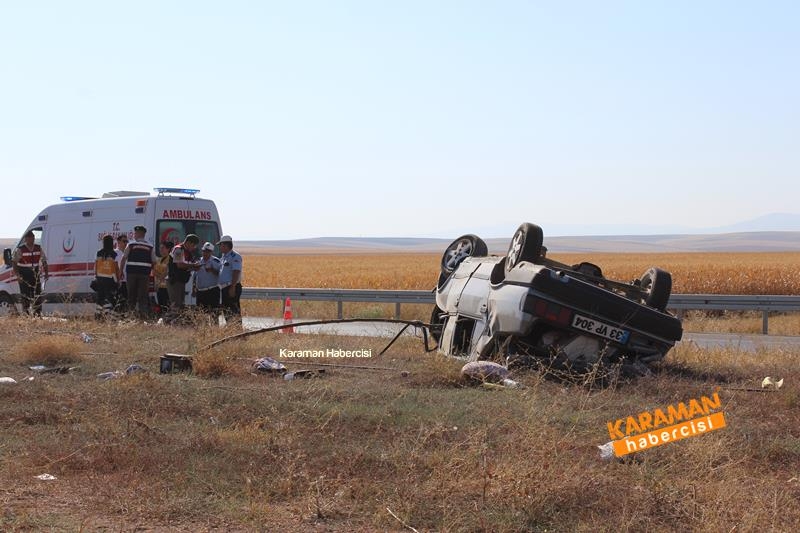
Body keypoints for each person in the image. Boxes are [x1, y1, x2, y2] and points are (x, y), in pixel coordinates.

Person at [120, 226, 158, 318]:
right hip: (144, 275)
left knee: (131, 296)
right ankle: (143, 316)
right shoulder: (150, 246)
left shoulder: (131, 245)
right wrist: (150, 270)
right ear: (144, 234)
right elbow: (154, 262)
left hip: (131, 274)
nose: (134, 235)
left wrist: (121, 271)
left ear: (137, 234)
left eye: (135, 233)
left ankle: (131, 316)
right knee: (143, 296)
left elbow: (124, 258)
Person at [11, 230, 48, 316]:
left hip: (35, 274)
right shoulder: (20, 250)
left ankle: (37, 314)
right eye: (30, 238)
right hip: (24, 275)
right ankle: (26, 315)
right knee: (25, 296)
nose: (32, 239)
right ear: (26, 239)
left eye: (33, 238)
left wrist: (46, 273)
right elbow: (14, 263)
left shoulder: (38, 248)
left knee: (37, 294)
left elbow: (44, 261)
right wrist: (18, 275)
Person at [167, 234, 200, 312]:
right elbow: (179, 265)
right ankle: (171, 322)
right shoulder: (178, 249)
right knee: (176, 305)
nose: (194, 248)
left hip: (181, 281)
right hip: (175, 281)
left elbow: (186, 265)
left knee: (180, 305)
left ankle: (176, 322)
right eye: (193, 245)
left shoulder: (187, 252)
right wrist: (193, 265)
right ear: (188, 243)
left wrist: (194, 267)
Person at [93, 235, 120, 316]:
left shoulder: (98, 253)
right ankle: (109, 317)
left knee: (100, 299)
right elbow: (116, 269)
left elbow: (95, 267)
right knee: (110, 299)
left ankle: (98, 317)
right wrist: (118, 280)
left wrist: (96, 277)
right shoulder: (114, 254)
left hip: (100, 280)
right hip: (110, 280)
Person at [217, 235, 243, 318]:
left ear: (225, 245)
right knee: (227, 313)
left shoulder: (235, 256)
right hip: (224, 288)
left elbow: (236, 272)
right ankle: (230, 329)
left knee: (233, 312)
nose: (220, 247)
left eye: (220, 245)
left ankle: (237, 330)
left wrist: (233, 287)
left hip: (231, 287)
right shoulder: (223, 257)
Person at [193, 242, 221, 313]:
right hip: (200, 292)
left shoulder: (216, 261)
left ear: (211, 252)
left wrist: (212, 270)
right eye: (204, 251)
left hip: (212, 291)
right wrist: (194, 288)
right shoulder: (198, 261)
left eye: (207, 251)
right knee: (200, 314)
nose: (205, 253)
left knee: (213, 314)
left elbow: (220, 275)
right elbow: (195, 276)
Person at [154, 241, 173, 312]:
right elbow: (154, 271)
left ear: (168, 249)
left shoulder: (170, 259)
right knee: (160, 306)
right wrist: (157, 284)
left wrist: (160, 278)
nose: (160, 249)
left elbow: (167, 272)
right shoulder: (158, 259)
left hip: (167, 287)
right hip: (159, 286)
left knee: (166, 306)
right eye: (160, 248)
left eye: (163, 248)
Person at [114, 234, 129, 312]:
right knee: (119, 301)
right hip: (119, 281)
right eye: (124, 241)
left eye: (127, 241)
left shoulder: (128, 253)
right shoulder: (115, 253)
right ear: (118, 242)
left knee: (126, 301)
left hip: (127, 281)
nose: (126, 243)